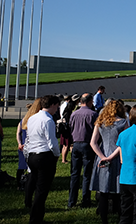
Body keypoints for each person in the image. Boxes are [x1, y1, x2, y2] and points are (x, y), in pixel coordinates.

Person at [90, 99, 128, 224]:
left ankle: (104, 219)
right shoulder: (123, 123)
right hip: (116, 157)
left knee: (103, 190)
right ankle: (119, 216)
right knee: (117, 190)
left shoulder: (100, 122)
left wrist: (102, 156)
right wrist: (111, 157)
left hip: (102, 156)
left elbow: (93, 142)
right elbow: (123, 143)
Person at [24, 95, 61, 224]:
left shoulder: (32, 118)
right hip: (44, 155)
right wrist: (57, 155)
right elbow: (52, 142)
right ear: (52, 105)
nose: (57, 109)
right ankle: (36, 219)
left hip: (32, 154)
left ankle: (36, 216)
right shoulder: (48, 120)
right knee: (42, 190)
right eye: (56, 106)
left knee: (37, 187)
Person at [68, 93, 98, 208]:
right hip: (87, 143)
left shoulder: (74, 114)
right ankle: (85, 200)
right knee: (87, 174)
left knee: (75, 173)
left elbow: (71, 127)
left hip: (76, 143)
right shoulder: (93, 114)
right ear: (90, 101)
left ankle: (72, 200)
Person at [17, 99, 43, 190]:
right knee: (31, 167)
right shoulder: (35, 119)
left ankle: (19, 184)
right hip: (32, 145)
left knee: (22, 165)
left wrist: (19, 143)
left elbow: (18, 133)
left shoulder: (24, 119)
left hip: (23, 144)